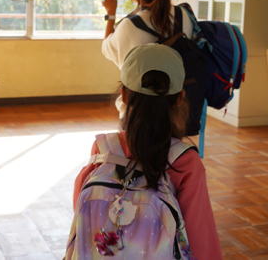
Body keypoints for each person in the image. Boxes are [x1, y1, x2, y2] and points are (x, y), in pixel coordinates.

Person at [72, 44, 222, 259]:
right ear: (179, 98)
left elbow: (82, 209)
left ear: (124, 95)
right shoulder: (184, 161)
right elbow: (199, 236)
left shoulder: (104, 148)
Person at [102, 0, 196, 119]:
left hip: (139, 115)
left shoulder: (129, 26)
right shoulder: (184, 15)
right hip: (180, 111)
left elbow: (106, 49)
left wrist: (110, 14)